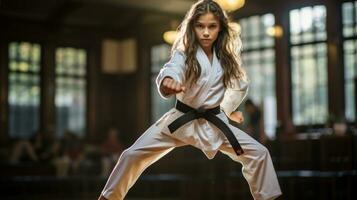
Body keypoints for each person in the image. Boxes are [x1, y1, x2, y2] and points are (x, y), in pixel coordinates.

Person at [98, 1, 281, 199]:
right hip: (181, 120)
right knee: (131, 155)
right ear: (192, 27)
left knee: (259, 154)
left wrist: (226, 110)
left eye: (212, 26)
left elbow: (239, 86)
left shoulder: (226, 58)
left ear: (221, 28)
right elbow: (172, 69)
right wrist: (168, 82)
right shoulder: (184, 54)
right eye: (200, 26)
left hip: (215, 122)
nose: (206, 32)